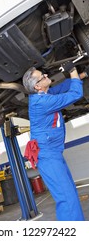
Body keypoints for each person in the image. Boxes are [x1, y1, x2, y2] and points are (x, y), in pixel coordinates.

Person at [22, 61, 88, 221]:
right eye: (42, 76)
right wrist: (72, 70)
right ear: (37, 86)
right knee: (67, 199)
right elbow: (74, 94)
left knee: (70, 193)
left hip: (53, 154)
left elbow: (64, 86)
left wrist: (83, 74)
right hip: (48, 156)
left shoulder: (44, 95)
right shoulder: (41, 103)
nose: (46, 75)